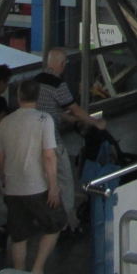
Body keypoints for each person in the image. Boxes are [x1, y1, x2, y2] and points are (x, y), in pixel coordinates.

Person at [0, 79, 65, 274]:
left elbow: (0, 158)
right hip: (37, 187)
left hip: (13, 187)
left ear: (18, 97)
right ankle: (37, 268)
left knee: (19, 235)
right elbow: (49, 155)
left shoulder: (5, 122)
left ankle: (19, 270)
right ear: (38, 97)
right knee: (56, 223)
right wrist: (53, 186)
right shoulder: (44, 120)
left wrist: (4, 180)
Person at [34, 47, 105, 232]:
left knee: (42, 178)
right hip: (52, 140)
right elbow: (75, 109)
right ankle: (66, 221)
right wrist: (94, 122)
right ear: (62, 64)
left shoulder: (36, 80)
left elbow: (48, 108)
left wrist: (68, 119)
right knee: (65, 179)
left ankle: (43, 216)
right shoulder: (58, 85)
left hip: (33, 140)